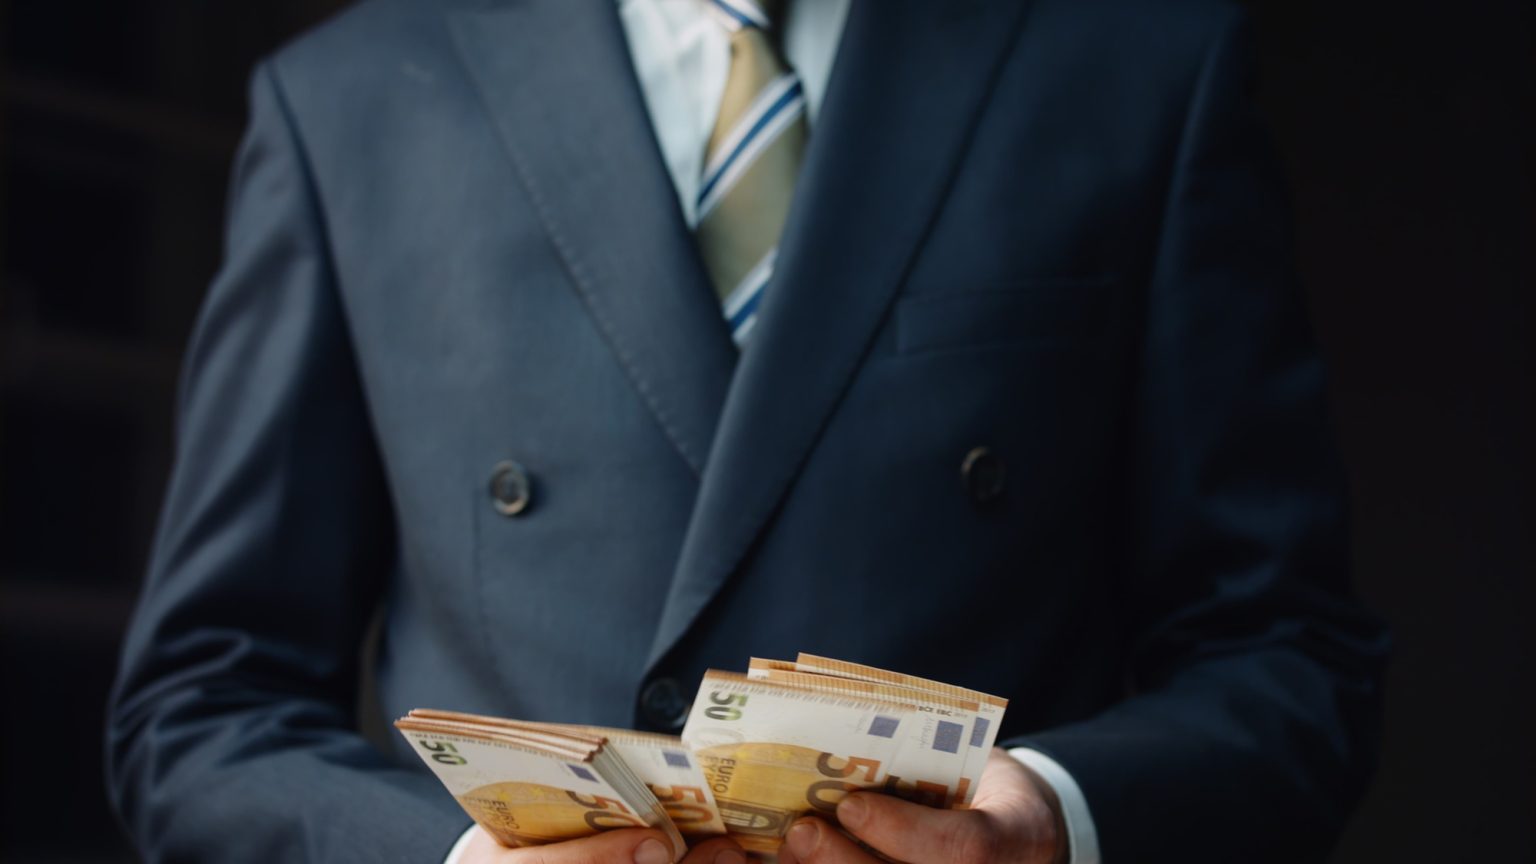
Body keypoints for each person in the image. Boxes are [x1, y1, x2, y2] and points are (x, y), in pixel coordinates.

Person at [106, 0, 1389, 862]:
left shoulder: (1133, 65)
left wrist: (1050, 814)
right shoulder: (351, 106)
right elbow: (203, 704)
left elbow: (1286, 654)